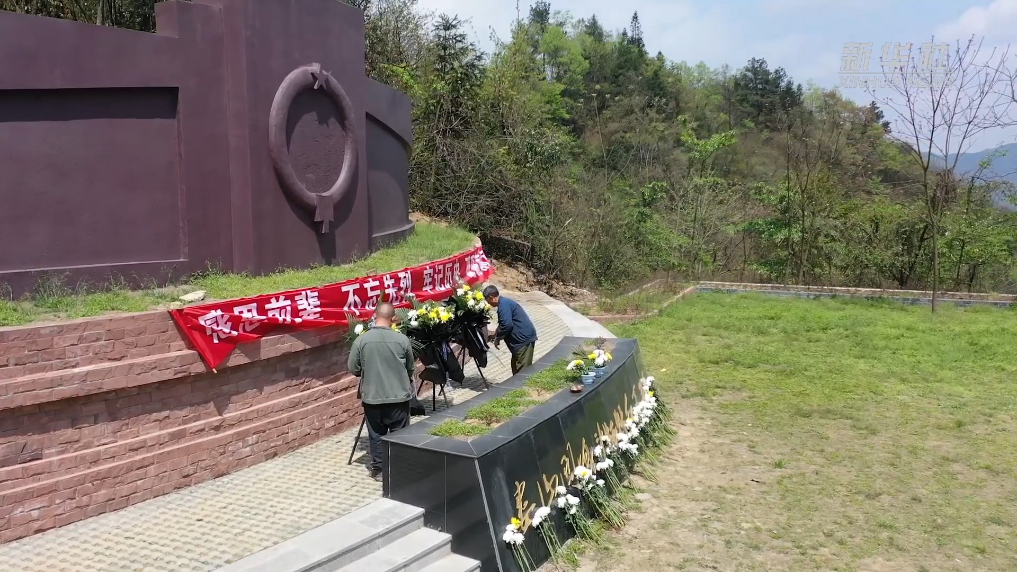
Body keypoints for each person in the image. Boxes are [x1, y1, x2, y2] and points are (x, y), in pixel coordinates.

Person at [348, 302, 415, 482]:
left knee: (376, 435)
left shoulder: (361, 340)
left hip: (373, 398)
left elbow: (353, 368)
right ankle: (400, 469)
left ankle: (379, 469)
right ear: (393, 319)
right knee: (400, 434)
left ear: (374, 316)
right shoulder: (402, 340)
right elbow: (410, 367)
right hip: (398, 397)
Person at [483, 285, 538, 375]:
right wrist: (496, 336)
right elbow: (503, 324)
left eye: (487, 301)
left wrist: (498, 336)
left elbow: (506, 325)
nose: (488, 304)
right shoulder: (504, 303)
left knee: (523, 372)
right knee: (516, 368)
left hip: (523, 341)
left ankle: (522, 384)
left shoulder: (503, 305)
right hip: (520, 342)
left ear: (491, 297)